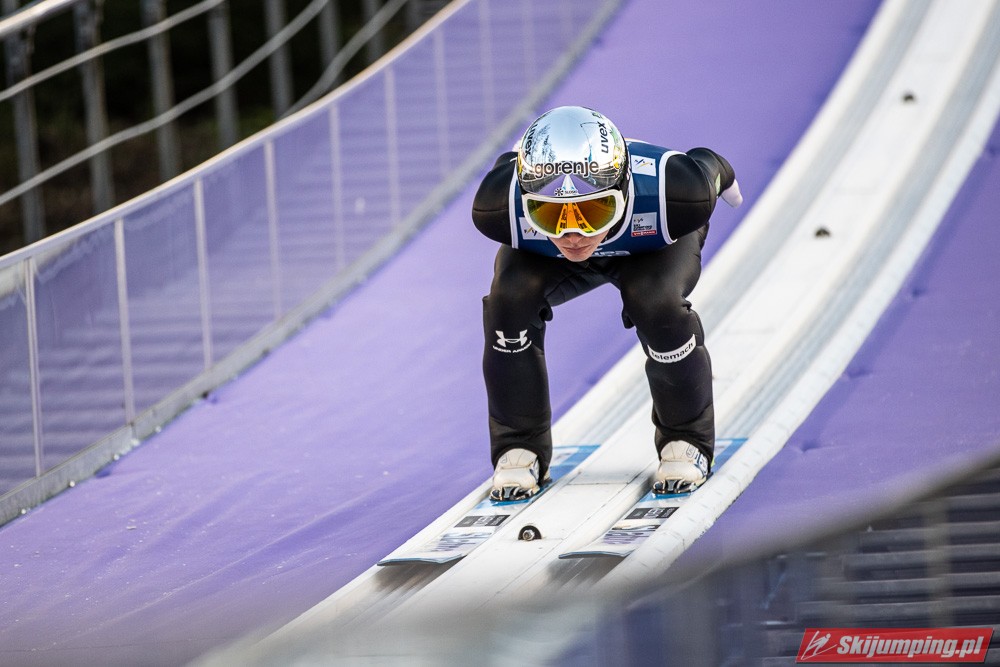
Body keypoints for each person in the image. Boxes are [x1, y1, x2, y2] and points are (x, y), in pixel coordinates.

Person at [472, 105, 742, 502]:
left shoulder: (679, 191)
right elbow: (506, 166)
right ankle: (519, 445)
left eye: (594, 209)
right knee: (508, 301)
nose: (574, 234)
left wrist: (724, 178)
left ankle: (686, 439)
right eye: (549, 214)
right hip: (550, 258)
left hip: (650, 249)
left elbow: (710, 164)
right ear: (525, 202)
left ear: (625, 190)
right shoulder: (497, 205)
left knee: (655, 300)